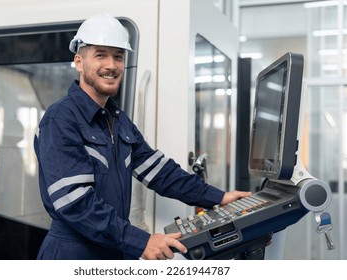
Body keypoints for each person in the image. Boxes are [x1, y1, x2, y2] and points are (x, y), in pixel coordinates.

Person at [34, 13, 251, 260]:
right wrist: (140, 241)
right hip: (73, 253)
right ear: (79, 62)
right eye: (100, 55)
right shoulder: (61, 119)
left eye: (118, 56)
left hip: (113, 248)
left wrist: (218, 197)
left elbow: (160, 172)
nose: (111, 65)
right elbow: (75, 203)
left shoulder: (116, 119)